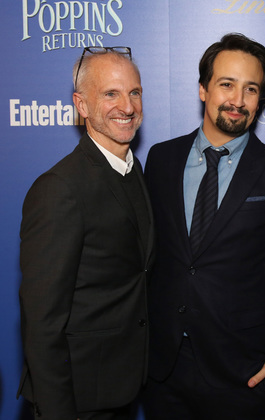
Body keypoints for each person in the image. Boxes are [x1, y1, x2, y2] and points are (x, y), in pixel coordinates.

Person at [142, 33, 265, 419]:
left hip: (243, 375)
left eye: (251, 89)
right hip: (163, 369)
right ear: (203, 89)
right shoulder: (161, 159)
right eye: (227, 84)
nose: (238, 100)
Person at [18, 46, 153, 420]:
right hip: (77, 400)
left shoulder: (133, 170)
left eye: (135, 92)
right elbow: (42, 323)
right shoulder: (59, 189)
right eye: (110, 93)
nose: (127, 106)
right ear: (82, 105)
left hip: (123, 388)